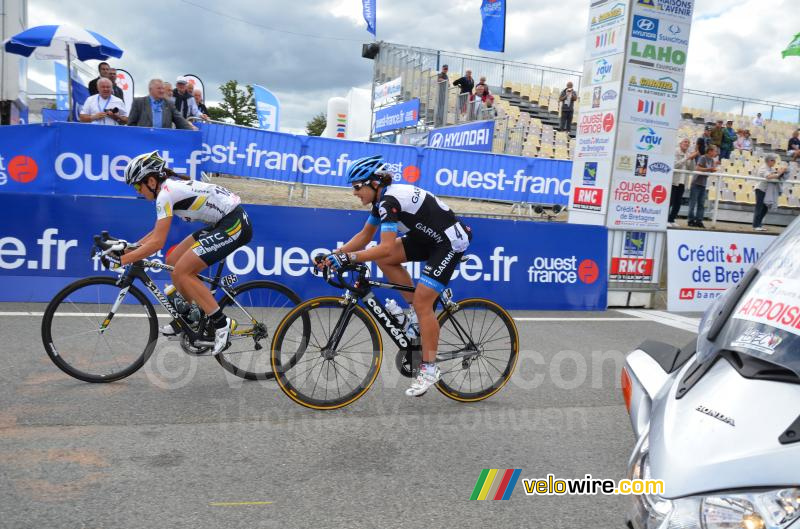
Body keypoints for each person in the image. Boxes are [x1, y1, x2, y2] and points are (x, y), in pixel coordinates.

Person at [320, 155, 472, 397]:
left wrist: (349, 259)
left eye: (357, 186)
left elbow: (387, 246)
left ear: (375, 183)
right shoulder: (381, 201)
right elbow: (364, 237)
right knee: (381, 259)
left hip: (449, 242)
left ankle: (430, 368)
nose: (354, 192)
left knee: (424, 302)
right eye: (353, 187)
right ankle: (414, 314)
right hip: (427, 239)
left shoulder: (388, 200)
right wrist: (334, 255)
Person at [117, 151, 252, 355]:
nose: (138, 191)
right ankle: (190, 315)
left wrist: (122, 259)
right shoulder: (167, 190)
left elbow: (156, 243)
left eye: (138, 186)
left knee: (182, 272)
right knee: (173, 260)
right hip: (220, 223)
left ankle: (222, 324)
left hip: (234, 223)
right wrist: (129, 248)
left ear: (151, 181)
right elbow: (156, 233)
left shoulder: (165, 194)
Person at [127, 79, 196, 129]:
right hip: (143, 141)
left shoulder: (169, 104)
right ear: (150, 89)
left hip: (163, 143)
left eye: (163, 88)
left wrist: (192, 130)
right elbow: (131, 124)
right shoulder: (139, 102)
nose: (162, 91)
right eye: (159, 88)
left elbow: (180, 121)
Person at [753, 153, 786, 231]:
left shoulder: (770, 168)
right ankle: (756, 225)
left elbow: (774, 175)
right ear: (769, 161)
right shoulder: (763, 168)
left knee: (765, 208)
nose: (774, 162)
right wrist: (779, 173)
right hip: (761, 189)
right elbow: (768, 176)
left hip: (767, 190)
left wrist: (779, 173)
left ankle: (759, 224)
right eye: (773, 160)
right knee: (760, 207)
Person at [687, 144, 718, 228]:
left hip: (703, 184)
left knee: (701, 204)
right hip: (696, 183)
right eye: (715, 151)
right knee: (693, 203)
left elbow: (708, 170)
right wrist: (709, 169)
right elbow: (697, 168)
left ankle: (699, 220)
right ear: (710, 151)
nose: (716, 153)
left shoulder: (711, 160)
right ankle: (690, 220)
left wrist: (712, 170)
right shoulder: (703, 158)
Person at [669, 138, 697, 226]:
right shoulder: (676, 152)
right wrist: (686, 158)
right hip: (674, 181)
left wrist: (692, 159)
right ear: (680, 143)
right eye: (685, 142)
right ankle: (665, 220)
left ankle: (672, 219)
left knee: (677, 203)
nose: (687, 144)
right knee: (670, 201)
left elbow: (692, 169)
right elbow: (674, 165)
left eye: (688, 142)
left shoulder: (688, 154)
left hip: (682, 182)